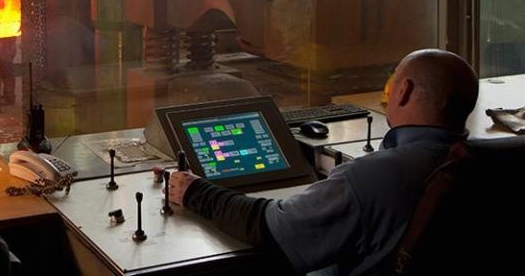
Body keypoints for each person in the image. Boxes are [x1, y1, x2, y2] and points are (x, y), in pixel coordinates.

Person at [168, 49, 479, 276]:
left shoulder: (369, 178)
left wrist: (194, 191)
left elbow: (267, 228)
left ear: (405, 91)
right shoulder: (479, 162)